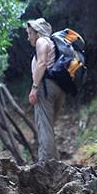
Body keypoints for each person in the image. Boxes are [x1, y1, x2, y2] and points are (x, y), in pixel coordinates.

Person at [26, 18, 65, 161]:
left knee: (44, 127)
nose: (28, 37)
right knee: (48, 127)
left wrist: (34, 87)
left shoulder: (42, 41)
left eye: (30, 33)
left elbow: (42, 63)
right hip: (58, 86)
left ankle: (46, 164)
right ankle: (55, 163)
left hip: (46, 87)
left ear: (37, 32)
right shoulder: (52, 43)